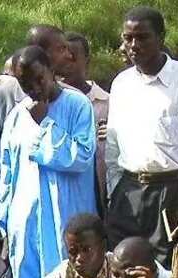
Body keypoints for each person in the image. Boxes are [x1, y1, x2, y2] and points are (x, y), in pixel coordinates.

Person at [0, 45, 97, 278]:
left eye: (37, 79)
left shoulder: (76, 106)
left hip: (66, 221)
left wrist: (46, 128)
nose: (33, 89)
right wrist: (3, 222)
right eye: (24, 84)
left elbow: (83, 157)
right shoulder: (15, 116)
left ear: (51, 70)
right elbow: (7, 171)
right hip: (25, 224)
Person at [105, 6, 178, 264]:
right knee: (126, 273)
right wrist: (114, 194)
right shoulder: (122, 83)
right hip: (128, 193)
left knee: (172, 276)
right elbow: (113, 149)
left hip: (172, 192)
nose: (133, 45)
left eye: (142, 37)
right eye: (128, 38)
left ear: (161, 37)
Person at [0, 24, 74, 255]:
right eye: (61, 49)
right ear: (42, 53)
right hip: (18, 212)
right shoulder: (0, 99)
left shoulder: (72, 100)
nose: (68, 55)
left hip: (59, 210)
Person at [62, 32, 111, 206]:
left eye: (73, 57)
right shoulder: (51, 104)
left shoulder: (106, 102)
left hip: (100, 191)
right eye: (63, 57)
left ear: (87, 60)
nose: (67, 62)